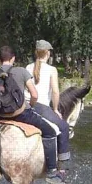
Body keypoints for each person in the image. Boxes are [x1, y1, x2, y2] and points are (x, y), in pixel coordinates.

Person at [0, 46, 71, 184]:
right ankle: (51, 172)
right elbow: (34, 95)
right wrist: (29, 106)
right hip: (20, 115)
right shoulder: (21, 71)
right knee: (50, 132)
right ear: (13, 58)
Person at [25, 40, 71, 170]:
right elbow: (55, 92)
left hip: (26, 105)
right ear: (48, 53)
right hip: (41, 106)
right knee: (63, 127)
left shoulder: (28, 67)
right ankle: (62, 165)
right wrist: (55, 109)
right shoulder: (52, 69)